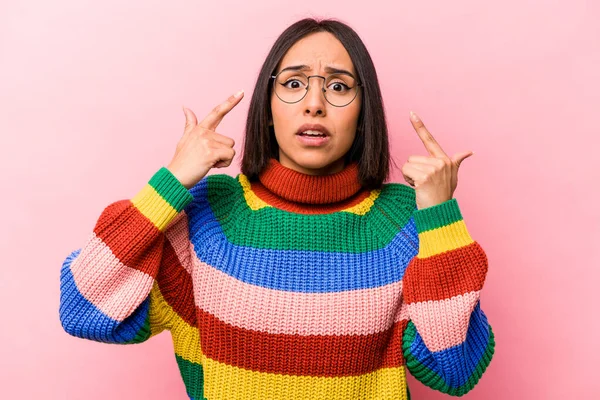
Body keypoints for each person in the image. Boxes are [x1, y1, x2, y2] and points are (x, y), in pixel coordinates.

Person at [59, 17, 495, 400]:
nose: (314, 103)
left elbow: (454, 369)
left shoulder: (402, 222)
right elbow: (83, 307)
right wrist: (171, 181)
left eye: (339, 86)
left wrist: (440, 216)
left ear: (364, 116)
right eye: (293, 83)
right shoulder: (209, 214)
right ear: (267, 110)